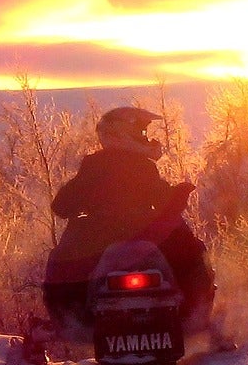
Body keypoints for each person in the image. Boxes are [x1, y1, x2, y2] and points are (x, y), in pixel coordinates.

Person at [42, 106, 214, 334]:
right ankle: (194, 315)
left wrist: (80, 203)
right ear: (122, 133)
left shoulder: (93, 165)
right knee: (193, 253)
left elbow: (61, 206)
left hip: (96, 236)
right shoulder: (143, 167)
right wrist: (179, 194)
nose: (147, 138)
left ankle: (71, 320)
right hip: (144, 232)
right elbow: (164, 201)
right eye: (141, 132)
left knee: (61, 262)